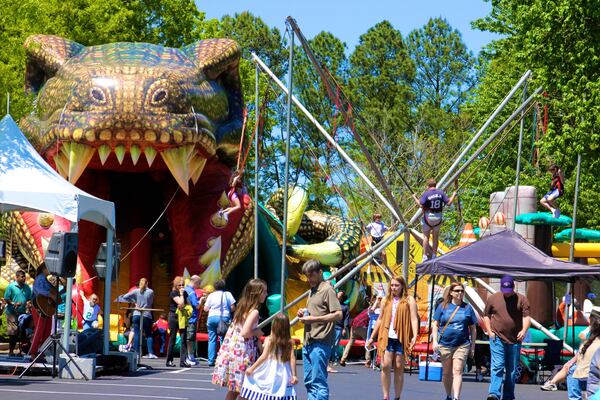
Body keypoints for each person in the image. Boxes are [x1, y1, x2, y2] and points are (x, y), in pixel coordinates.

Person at [212, 278, 267, 400]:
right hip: (243, 353)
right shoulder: (254, 312)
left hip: (233, 350)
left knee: (235, 389)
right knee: (246, 390)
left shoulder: (242, 307)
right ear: (257, 293)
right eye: (264, 292)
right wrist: (257, 332)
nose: (266, 294)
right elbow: (245, 332)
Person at [366, 276, 419, 400]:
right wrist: (372, 337)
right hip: (387, 336)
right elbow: (380, 319)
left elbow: (413, 318)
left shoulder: (409, 300)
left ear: (402, 286)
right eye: (392, 285)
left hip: (401, 337)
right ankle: (386, 395)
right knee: (385, 365)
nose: (394, 288)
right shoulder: (386, 300)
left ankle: (397, 396)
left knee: (399, 366)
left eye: (396, 285)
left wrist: (415, 335)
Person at [297, 260, 343, 400]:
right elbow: (317, 311)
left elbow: (338, 314)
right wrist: (304, 312)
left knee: (318, 382)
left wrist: (313, 319)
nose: (309, 279)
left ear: (320, 273)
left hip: (320, 342)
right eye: (307, 276)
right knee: (309, 382)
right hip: (309, 342)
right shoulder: (313, 291)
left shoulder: (327, 290)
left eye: (312, 275)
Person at [483, 275, 531, 400]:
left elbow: (526, 317)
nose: (507, 293)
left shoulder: (522, 299)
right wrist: (489, 331)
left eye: (509, 290)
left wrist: (524, 330)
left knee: (511, 369)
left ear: (513, 287)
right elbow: (486, 316)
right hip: (497, 337)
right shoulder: (493, 298)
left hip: (515, 339)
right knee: (498, 365)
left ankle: (508, 396)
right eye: (505, 291)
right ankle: (494, 394)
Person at [432, 282, 478, 400]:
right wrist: (435, 342)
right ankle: (448, 395)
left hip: (462, 344)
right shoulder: (443, 306)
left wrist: (472, 346)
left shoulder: (468, 308)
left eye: (462, 291)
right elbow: (435, 324)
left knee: (457, 370)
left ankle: (456, 397)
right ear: (451, 293)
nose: (460, 293)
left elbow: (473, 328)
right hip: (445, 344)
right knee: (447, 373)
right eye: (457, 291)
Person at [240, 313, 298, 400]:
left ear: (274, 326)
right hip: (284, 371)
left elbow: (264, 356)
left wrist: (252, 368)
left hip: (270, 369)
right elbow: (292, 358)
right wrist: (294, 375)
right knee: (281, 392)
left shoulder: (270, 340)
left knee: (266, 390)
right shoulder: (289, 342)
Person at [412, 179, 456, 261]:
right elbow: (449, 203)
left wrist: (415, 197)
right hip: (438, 217)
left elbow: (420, 204)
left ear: (427, 186)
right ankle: (434, 255)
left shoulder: (426, 194)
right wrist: (453, 194)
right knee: (435, 237)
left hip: (428, 216)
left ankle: (425, 255)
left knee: (426, 237)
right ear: (435, 185)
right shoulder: (441, 193)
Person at [116, 277, 156, 358]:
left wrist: (134, 301)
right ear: (147, 283)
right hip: (147, 314)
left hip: (136, 314)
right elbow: (151, 302)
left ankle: (136, 353)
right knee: (149, 334)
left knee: (136, 334)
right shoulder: (151, 291)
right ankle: (151, 353)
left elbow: (125, 296)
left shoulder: (136, 291)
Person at [569, 306, 600, 399]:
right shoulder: (589, 336)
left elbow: (580, 353)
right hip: (590, 376)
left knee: (571, 369)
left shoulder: (588, 336)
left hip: (582, 374)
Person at [205, 279, 236, 367]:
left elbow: (206, 309)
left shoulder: (211, 295)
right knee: (224, 338)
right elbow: (233, 307)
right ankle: (223, 359)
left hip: (211, 318)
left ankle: (211, 361)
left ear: (214, 287)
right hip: (223, 318)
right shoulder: (227, 294)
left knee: (212, 339)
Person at [3, 270, 33, 357]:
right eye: (21, 276)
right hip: (12, 312)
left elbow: (29, 299)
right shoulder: (11, 286)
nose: (24, 278)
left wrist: (29, 303)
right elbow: (6, 298)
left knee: (22, 331)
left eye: (24, 276)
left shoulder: (27, 288)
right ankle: (11, 352)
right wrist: (13, 303)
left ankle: (21, 351)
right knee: (13, 332)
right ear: (17, 277)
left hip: (22, 313)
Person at [166, 276, 190, 367]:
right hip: (173, 317)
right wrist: (181, 294)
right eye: (179, 285)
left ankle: (183, 361)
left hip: (182, 317)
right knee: (172, 338)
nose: (181, 286)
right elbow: (180, 303)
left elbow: (188, 304)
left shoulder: (185, 293)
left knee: (183, 339)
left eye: (183, 285)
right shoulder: (173, 293)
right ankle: (169, 360)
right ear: (176, 285)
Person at [184, 274, 203, 366]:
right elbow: (197, 306)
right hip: (191, 318)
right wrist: (201, 300)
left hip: (188, 318)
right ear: (195, 282)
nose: (199, 285)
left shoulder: (187, 290)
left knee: (190, 338)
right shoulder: (191, 292)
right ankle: (189, 356)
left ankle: (190, 356)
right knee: (190, 338)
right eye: (199, 283)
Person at [329, 291, 349, 372]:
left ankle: (335, 358)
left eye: (340, 295)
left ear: (342, 297)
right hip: (332, 326)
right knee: (330, 343)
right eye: (337, 295)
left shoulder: (345, 307)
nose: (338, 296)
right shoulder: (333, 304)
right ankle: (330, 358)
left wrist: (345, 328)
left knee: (336, 343)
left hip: (339, 327)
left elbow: (346, 318)